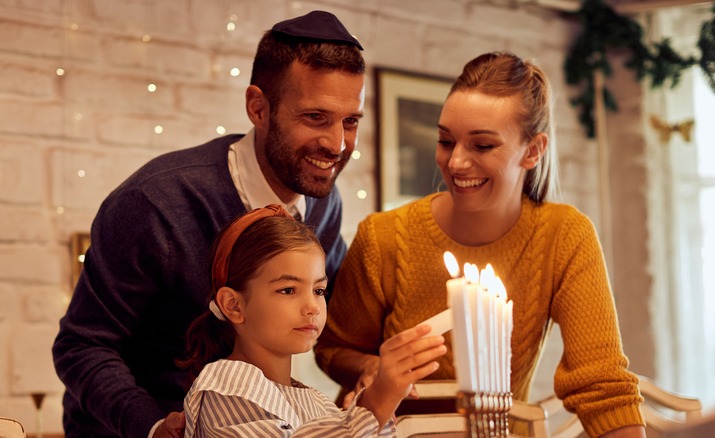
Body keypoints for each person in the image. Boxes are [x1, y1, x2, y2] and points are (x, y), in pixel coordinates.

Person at [52, 10, 366, 438]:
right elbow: (82, 345)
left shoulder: (324, 205)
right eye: (315, 117)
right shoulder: (153, 203)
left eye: (350, 121)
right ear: (258, 107)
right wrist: (153, 426)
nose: (336, 144)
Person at [314, 52, 647, 437]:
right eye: (445, 140)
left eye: (482, 146)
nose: (455, 162)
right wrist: (371, 369)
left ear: (533, 150)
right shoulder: (384, 237)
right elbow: (332, 348)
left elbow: (601, 384)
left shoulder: (565, 237)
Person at [179, 205, 447, 437]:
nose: (312, 307)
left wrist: (368, 411)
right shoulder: (224, 386)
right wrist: (376, 403)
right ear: (233, 305)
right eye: (288, 290)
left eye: (319, 291)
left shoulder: (319, 403)